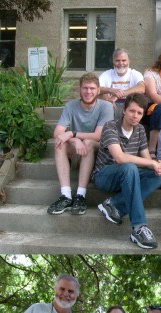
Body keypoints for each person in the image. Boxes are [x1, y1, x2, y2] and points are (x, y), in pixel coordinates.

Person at [91, 93, 161, 250]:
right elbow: (119, 158)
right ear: (123, 110)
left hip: (128, 175)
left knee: (159, 176)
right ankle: (139, 228)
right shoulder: (110, 127)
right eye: (132, 111)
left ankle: (115, 205)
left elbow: (146, 160)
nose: (135, 116)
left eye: (139, 113)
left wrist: (157, 165)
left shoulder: (139, 130)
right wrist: (150, 162)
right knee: (129, 166)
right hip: (104, 176)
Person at [47, 72, 113, 216]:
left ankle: (80, 195)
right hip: (77, 148)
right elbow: (57, 133)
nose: (88, 92)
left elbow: (98, 136)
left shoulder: (106, 107)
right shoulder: (71, 106)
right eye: (85, 88)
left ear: (98, 90)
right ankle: (66, 195)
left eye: (92, 88)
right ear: (79, 89)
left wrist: (72, 133)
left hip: (97, 149)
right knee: (59, 143)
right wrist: (75, 139)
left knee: (89, 142)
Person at [98, 48, 145, 123]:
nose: (121, 63)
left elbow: (142, 88)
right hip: (111, 106)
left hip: (130, 107)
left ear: (129, 61)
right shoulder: (106, 74)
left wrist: (117, 95)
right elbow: (97, 89)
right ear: (113, 62)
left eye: (124, 60)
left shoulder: (135, 74)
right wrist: (111, 91)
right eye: (117, 60)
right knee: (106, 103)